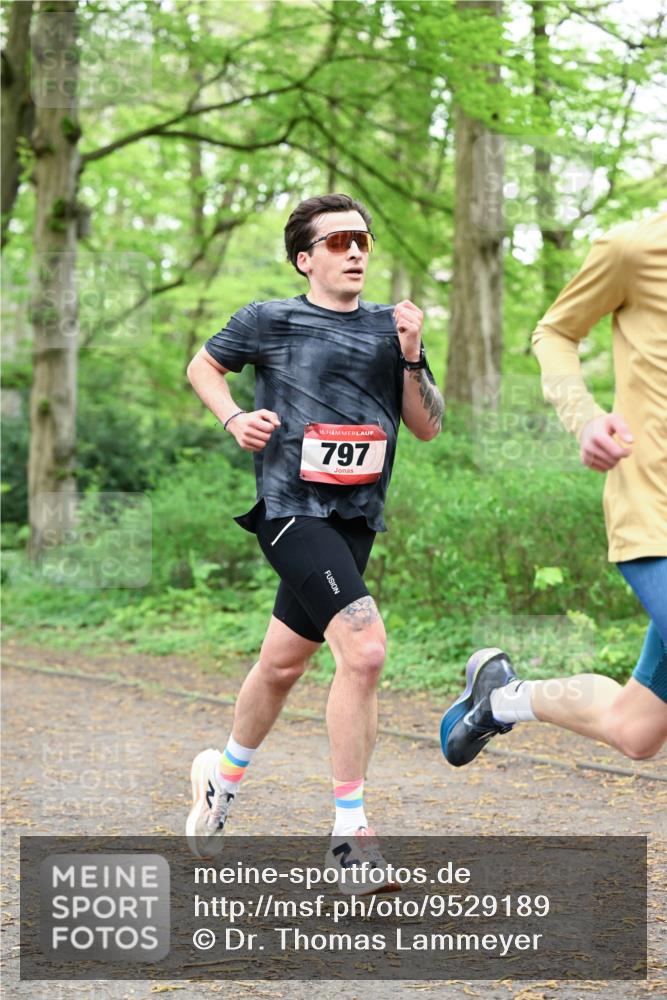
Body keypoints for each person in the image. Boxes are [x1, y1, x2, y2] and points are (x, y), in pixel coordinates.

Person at [185, 193, 443, 885]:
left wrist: (411, 355)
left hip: (356, 518)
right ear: (305, 258)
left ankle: (220, 782)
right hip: (291, 510)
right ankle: (349, 839)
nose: (354, 250)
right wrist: (233, 419)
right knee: (365, 649)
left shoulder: (391, 326)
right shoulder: (268, 319)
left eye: (362, 240)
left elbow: (426, 426)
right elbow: (202, 367)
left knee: (281, 666)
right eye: (336, 242)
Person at [440, 211, 667, 767]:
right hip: (654, 510)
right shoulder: (636, 248)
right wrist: (585, 418)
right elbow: (556, 332)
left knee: (635, 729)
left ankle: (502, 697)